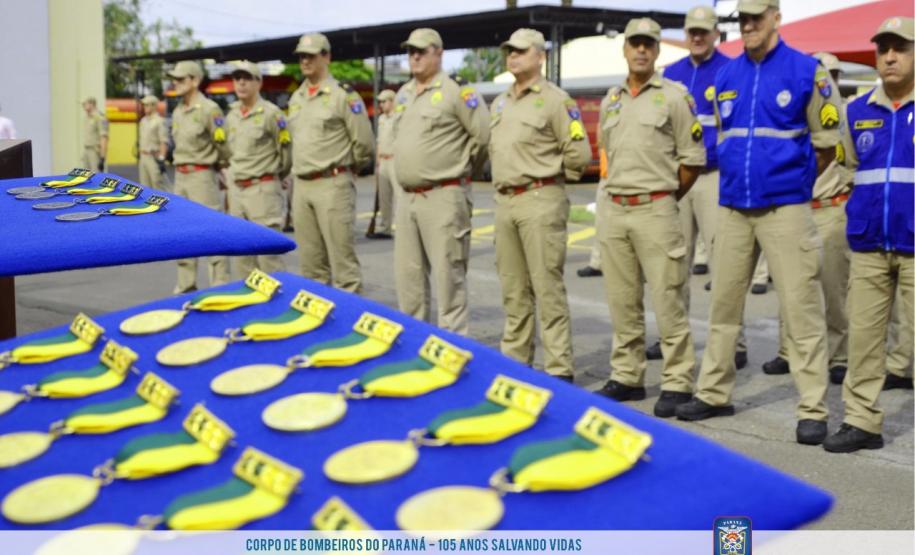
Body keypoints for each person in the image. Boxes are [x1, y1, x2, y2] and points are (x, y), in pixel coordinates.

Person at [676, 0, 842, 448]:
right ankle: (714, 393)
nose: (748, 25)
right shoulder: (727, 75)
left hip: (784, 208)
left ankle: (812, 408)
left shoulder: (806, 71)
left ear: (776, 18)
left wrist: (794, 185)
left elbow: (828, 144)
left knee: (801, 311)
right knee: (724, 307)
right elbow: (723, 137)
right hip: (733, 206)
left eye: (756, 17)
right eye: (743, 19)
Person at [593, 17, 706, 418]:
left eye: (648, 44)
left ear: (657, 51)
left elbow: (692, 160)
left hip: (656, 208)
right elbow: (608, 153)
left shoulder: (674, 97)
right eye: (635, 43)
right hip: (615, 209)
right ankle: (627, 375)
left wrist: (664, 195)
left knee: (668, 298)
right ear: (625, 49)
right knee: (622, 300)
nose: (641, 50)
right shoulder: (611, 99)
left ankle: (677, 380)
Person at [823, 16, 914, 453]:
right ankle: (861, 422)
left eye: (900, 48)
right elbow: (848, 169)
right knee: (863, 339)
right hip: (869, 244)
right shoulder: (855, 111)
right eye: (883, 49)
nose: (890, 57)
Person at [490, 28, 591, 382]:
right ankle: (516, 363)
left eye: (520, 51)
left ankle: (559, 369)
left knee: (547, 289)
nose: (513, 56)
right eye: (509, 51)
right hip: (505, 201)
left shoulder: (556, 101)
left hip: (539, 198)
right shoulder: (500, 102)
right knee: (513, 290)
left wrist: (552, 178)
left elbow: (579, 154)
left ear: (540, 56)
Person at [651, 5, 749, 370]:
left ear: (716, 35)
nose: (696, 37)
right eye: (692, 31)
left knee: (725, 264)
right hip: (677, 176)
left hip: (712, 176)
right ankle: (671, 336)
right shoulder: (670, 74)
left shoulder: (731, 70)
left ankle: (734, 342)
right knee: (672, 263)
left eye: (703, 32)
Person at [392, 28, 490, 334]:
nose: (415, 57)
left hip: (443, 196)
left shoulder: (457, 91)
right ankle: (414, 349)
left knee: (449, 283)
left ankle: (453, 350)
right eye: (410, 51)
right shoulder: (404, 93)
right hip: (407, 197)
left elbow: (482, 136)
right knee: (409, 284)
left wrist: (460, 170)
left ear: (439, 53)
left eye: (421, 51)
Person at [762, 52, 851, 382]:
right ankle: (788, 350)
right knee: (791, 286)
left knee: (834, 289)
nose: (829, 82)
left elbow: (854, 163)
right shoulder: (791, 115)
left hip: (830, 206)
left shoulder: (848, 114)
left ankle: (839, 356)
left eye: (835, 75)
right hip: (796, 207)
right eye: (825, 75)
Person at [287, 33, 374, 294]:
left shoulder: (343, 96)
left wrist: (347, 170)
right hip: (302, 185)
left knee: (343, 267)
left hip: (332, 183)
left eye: (311, 56)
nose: (305, 61)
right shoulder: (297, 98)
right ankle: (319, 318)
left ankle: (349, 317)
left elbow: (364, 143)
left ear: (327, 57)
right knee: (311, 268)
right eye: (301, 56)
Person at [168, 60, 231, 294]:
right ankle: (186, 286)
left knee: (211, 229)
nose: (175, 83)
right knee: (182, 232)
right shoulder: (177, 111)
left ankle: (220, 285)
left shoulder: (209, 109)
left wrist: (220, 167)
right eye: (174, 79)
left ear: (195, 80)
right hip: (181, 176)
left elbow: (223, 145)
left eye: (180, 79)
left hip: (202, 176)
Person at [225, 60, 291, 278]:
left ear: (259, 83)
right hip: (237, 191)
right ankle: (249, 300)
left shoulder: (272, 114)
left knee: (268, 258)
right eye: (237, 78)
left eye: (247, 78)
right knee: (242, 256)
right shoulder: (232, 115)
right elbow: (230, 151)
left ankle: (276, 299)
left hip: (262, 190)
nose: (241, 83)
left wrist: (275, 176)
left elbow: (286, 154)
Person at [369, 88, 398, 240]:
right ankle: (386, 228)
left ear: (392, 102)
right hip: (383, 161)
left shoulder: (398, 118)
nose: (381, 104)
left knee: (399, 196)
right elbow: (379, 142)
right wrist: (377, 163)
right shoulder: (381, 119)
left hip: (395, 160)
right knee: (384, 197)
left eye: (384, 101)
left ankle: (403, 229)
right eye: (379, 102)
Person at [138, 95, 168, 191]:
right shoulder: (143, 121)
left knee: (158, 186)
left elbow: (163, 141)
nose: (144, 107)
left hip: (154, 157)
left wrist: (162, 159)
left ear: (154, 105)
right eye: (144, 105)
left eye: (147, 105)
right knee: (144, 187)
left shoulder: (159, 121)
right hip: (143, 157)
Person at [82, 96, 108, 172]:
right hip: (87, 150)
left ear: (91, 104)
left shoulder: (100, 118)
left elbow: (104, 138)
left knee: (96, 176)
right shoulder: (87, 118)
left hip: (95, 152)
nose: (83, 106)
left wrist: (102, 158)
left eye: (85, 104)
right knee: (85, 176)